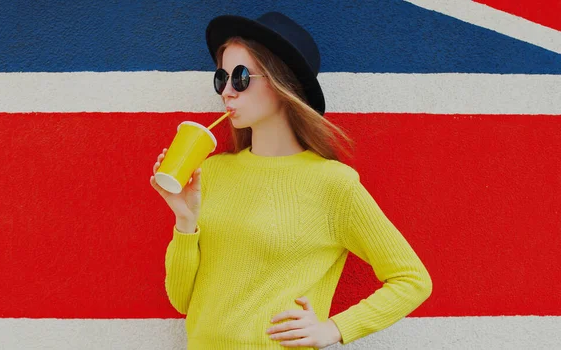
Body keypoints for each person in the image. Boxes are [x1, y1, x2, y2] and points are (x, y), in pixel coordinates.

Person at [150, 11, 432, 349]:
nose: (226, 91)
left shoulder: (333, 184)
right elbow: (183, 302)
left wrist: (335, 329)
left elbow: (412, 280)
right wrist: (185, 220)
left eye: (240, 77)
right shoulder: (210, 172)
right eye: (220, 78)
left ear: (281, 80)